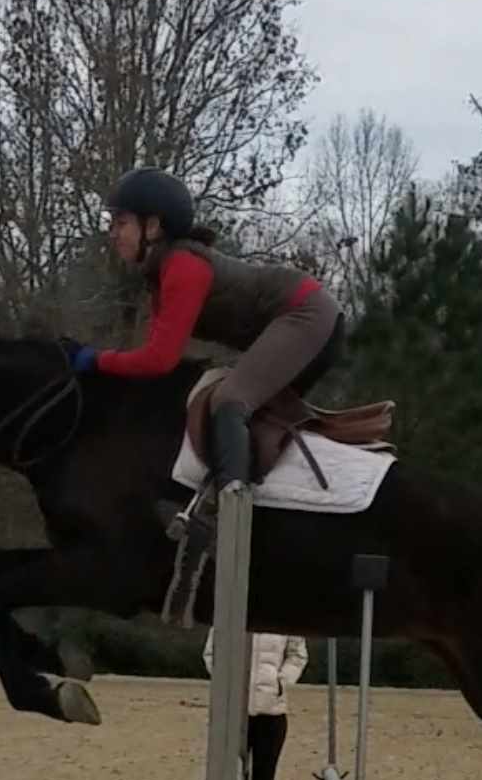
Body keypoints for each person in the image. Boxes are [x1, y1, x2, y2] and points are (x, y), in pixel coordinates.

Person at [66, 168, 344, 521]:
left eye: (120, 223)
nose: (112, 233)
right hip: (305, 317)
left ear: (153, 226)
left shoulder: (183, 265)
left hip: (306, 314)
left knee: (230, 400)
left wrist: (95, 360)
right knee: (233, 409)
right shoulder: (163, 272)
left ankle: (233, 517)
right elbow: (154, 361)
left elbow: (159, 360)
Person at [203, 629, 309, 780]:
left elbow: (297, 655)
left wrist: (281, 681)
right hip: (234, 710)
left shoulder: (285, 618)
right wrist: (225, 681)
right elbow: (212, 652)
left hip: (272, 713)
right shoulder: (231, 608)